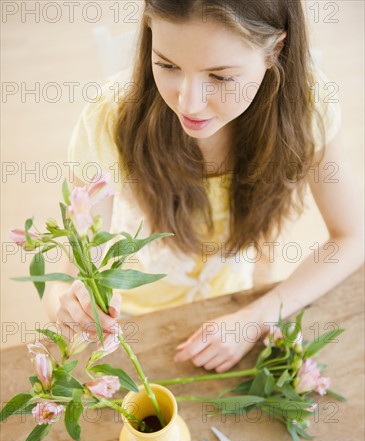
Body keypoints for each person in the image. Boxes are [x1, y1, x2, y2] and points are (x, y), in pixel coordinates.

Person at [47, 0, 363, 373]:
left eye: (220, 77)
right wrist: (69, 307)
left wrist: (256, 317)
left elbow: (352, 236)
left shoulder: (307, 107)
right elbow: (67, 278)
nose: (190, 104)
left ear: (275, 49)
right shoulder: (108, 119)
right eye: (166, 65)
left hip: (233, 295)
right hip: (133, 311)